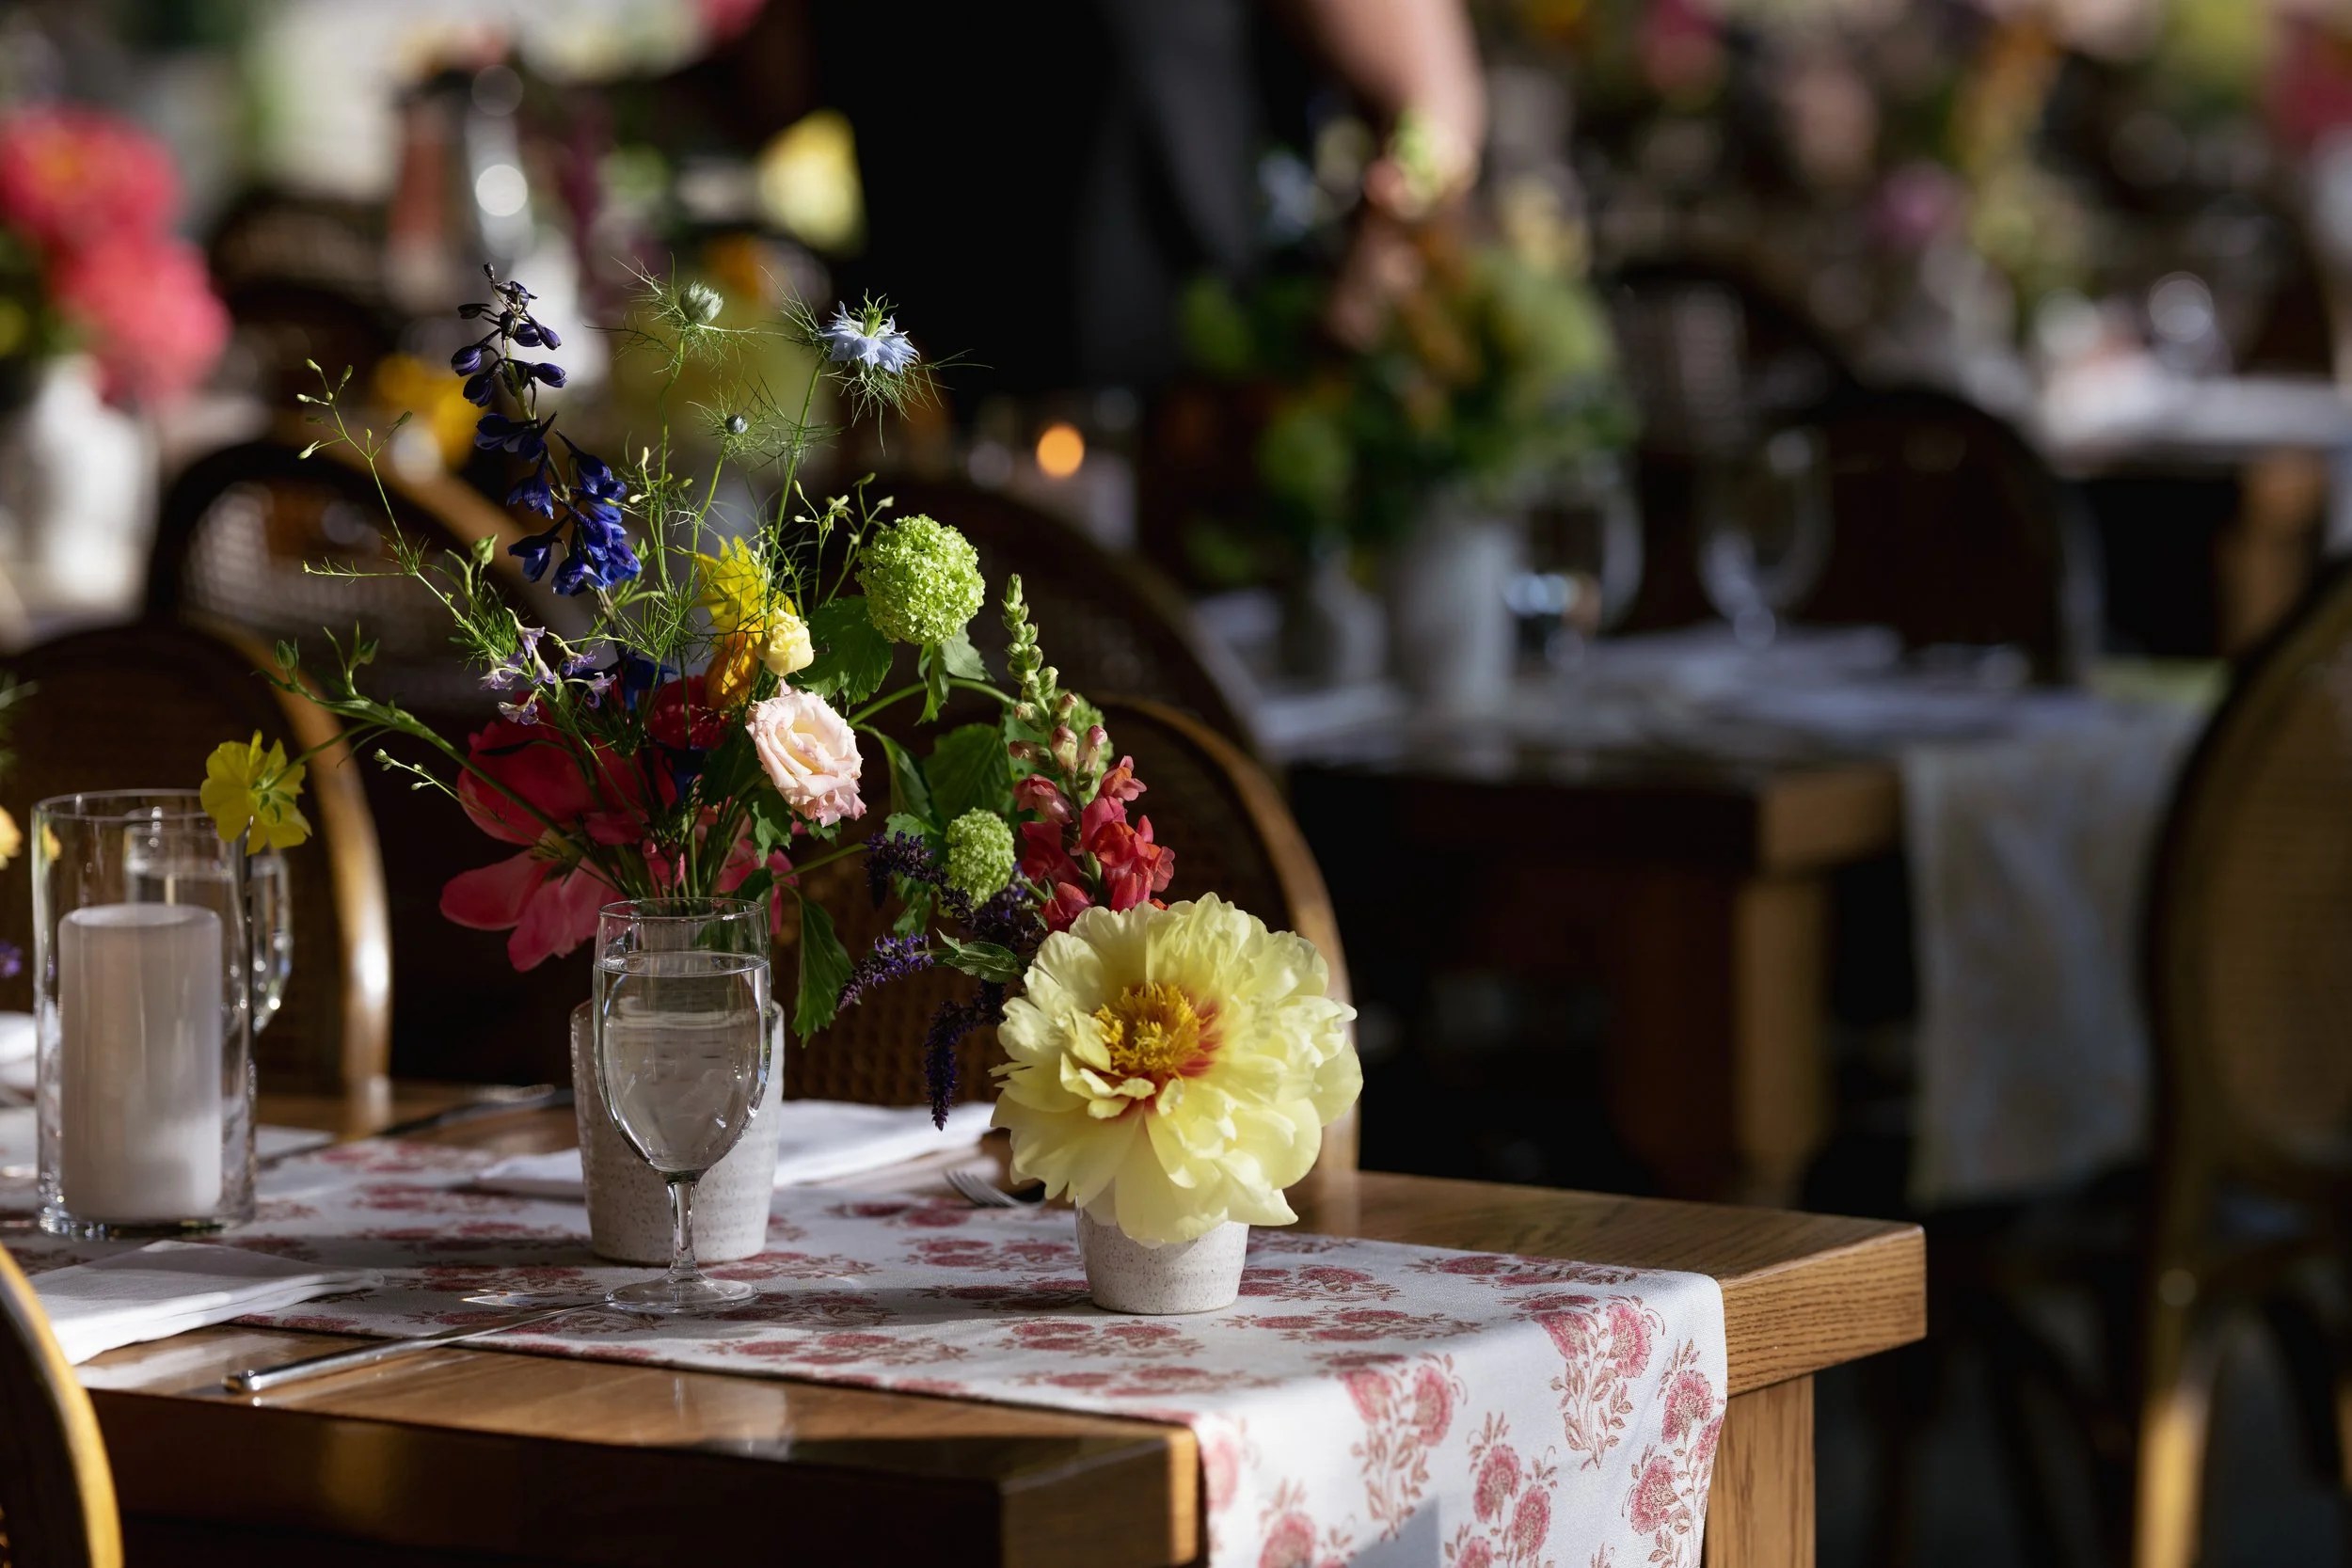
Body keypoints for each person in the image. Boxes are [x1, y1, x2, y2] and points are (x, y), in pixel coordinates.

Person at [816, 0, 1486, 397]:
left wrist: (1349, 331)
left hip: (1189, 459)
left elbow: (1433, 106)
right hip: (926, 454)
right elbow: (767, 85)